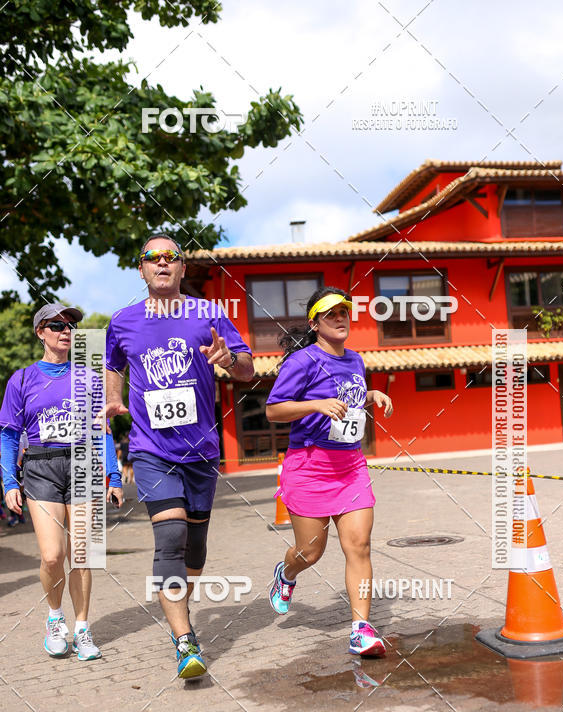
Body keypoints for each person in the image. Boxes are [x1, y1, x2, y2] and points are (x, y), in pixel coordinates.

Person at [103, 233, 254, 680]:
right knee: (170, 537)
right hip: (151, 449)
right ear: (142, 269)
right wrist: (113, 398)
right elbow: (112, 364)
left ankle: (180, 606)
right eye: (153, 257)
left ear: (183, 268)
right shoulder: (123, 321)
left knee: (195, 546)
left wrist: (229, 360)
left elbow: (248, 369)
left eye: (171, 256)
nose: (162, 263)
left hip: (201, 450)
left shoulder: (208, 314)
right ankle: (185, 640)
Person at [266, 287, 393, 656]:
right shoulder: (302, 361)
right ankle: (286, 574)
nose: (340, 318)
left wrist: (371, 396)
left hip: (350, 466)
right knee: (310, 552)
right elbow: (274, 410)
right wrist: (316, 405)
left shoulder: (355, 360)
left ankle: (361, 630)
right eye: (330, 313)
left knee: (359, 546)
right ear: (315, 323)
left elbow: (347, 399)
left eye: (344, 312)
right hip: (309, 467)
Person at [0, 303, 123, 659]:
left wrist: (114, 475)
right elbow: (8, 434)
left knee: (82, 553)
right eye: (56, 325)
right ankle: (55, 618)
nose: (66, 331)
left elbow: (102, 430)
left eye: (70, 326)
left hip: (83, 464)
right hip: (41, 466)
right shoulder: (22, 379)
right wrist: (9, 482)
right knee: (52, 555)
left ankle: (82, 628)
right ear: (40, 332)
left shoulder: (89, 378)